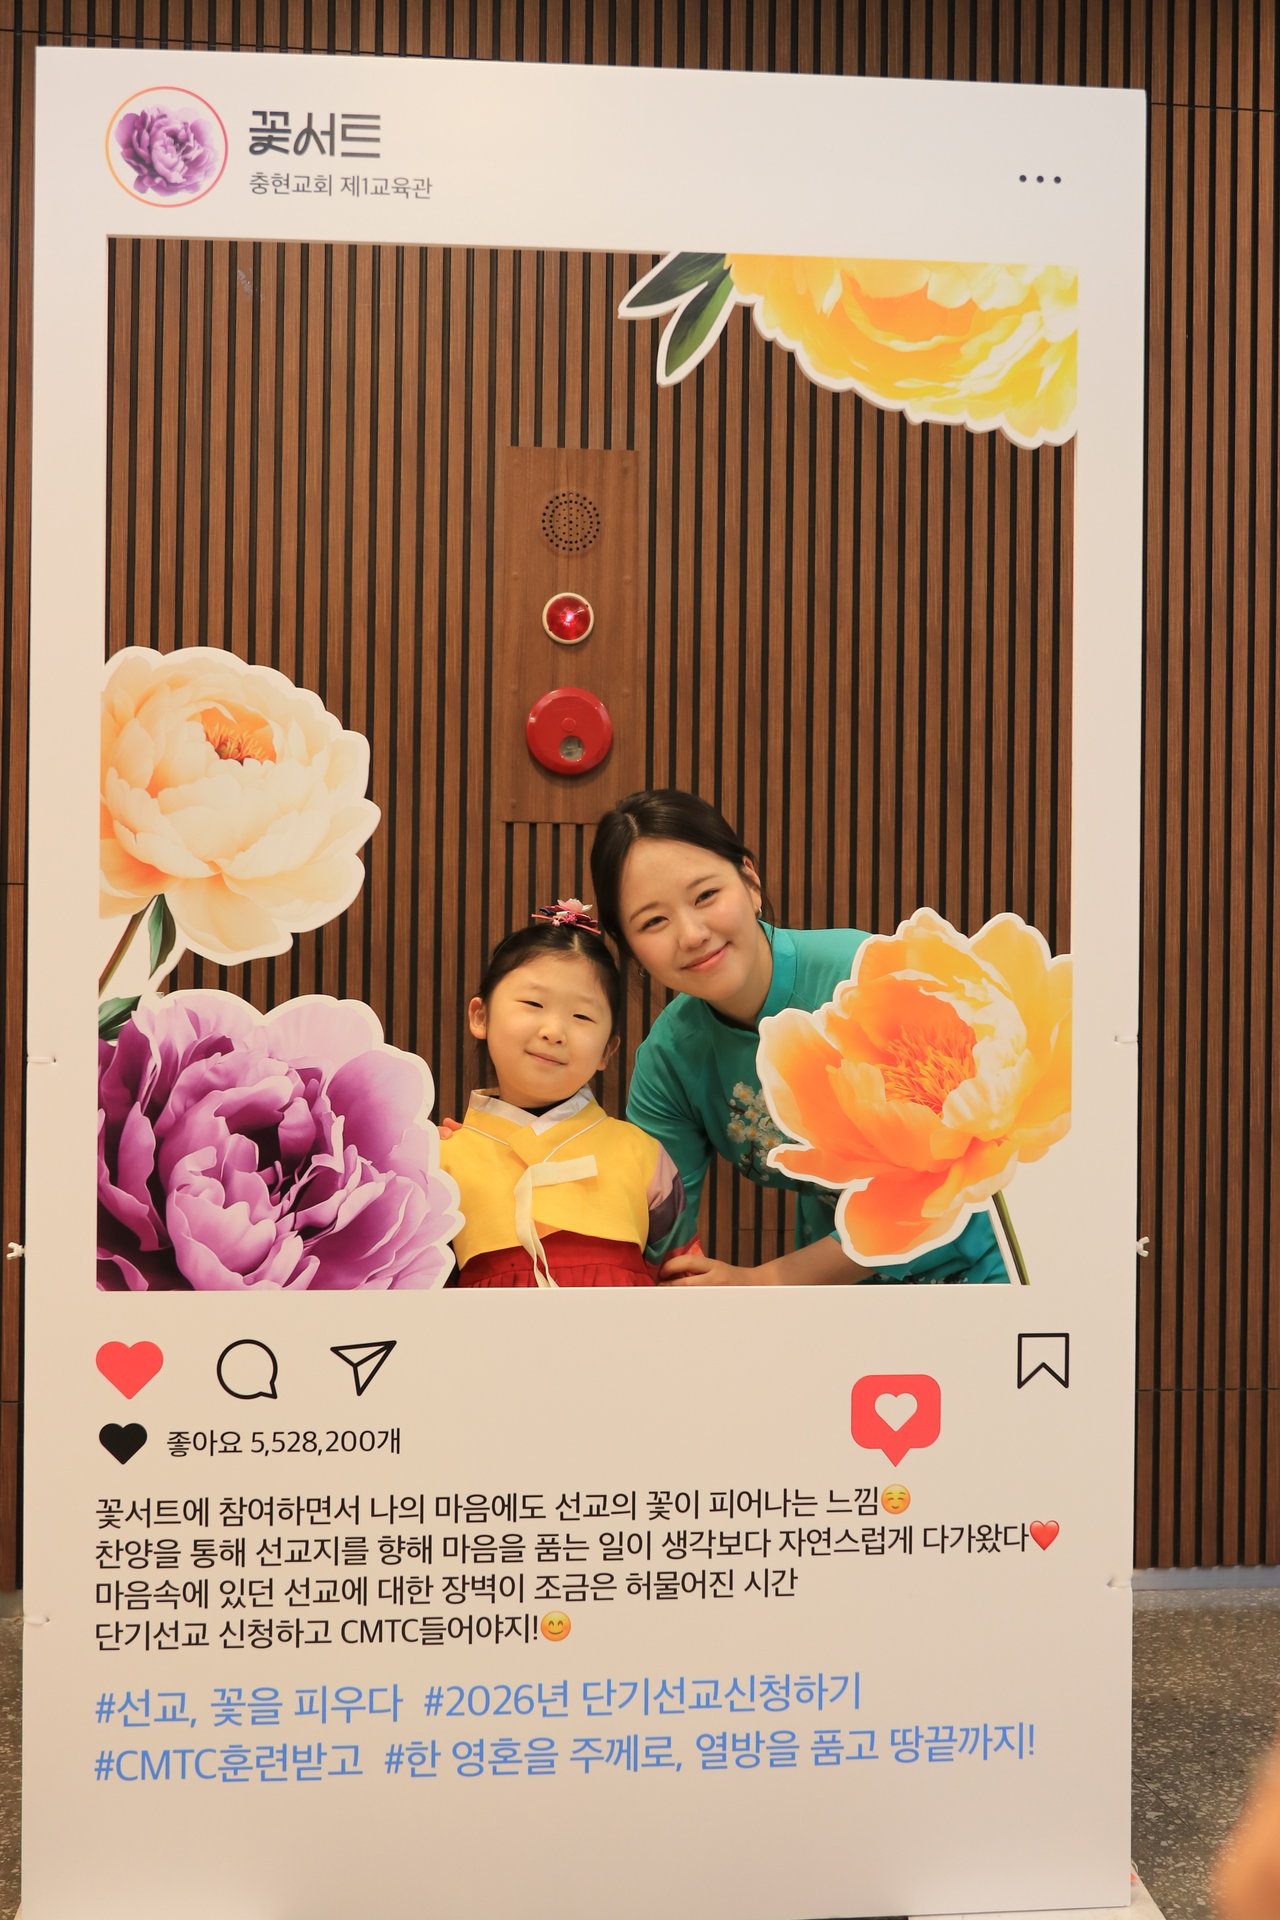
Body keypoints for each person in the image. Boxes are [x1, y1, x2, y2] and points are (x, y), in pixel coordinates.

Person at [589, 789, 1008, 1287]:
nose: (692, 934)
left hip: (993, 1265)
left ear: (750, 881)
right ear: (629, 947)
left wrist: (761, 1282)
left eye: (705, 896)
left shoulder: (866, 976)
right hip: (842, 1293)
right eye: (654, 921)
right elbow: (657, 1232)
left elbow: (935, 1195)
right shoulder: (670, 1060)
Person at [439, 901, 684, 1288]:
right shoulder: (440, 1160)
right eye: (533, 1004)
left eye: (582, 1016)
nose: (554, 1031)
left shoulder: (643, 1154)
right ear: (480, 1016)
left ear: (607, 1050)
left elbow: (685, 1282)